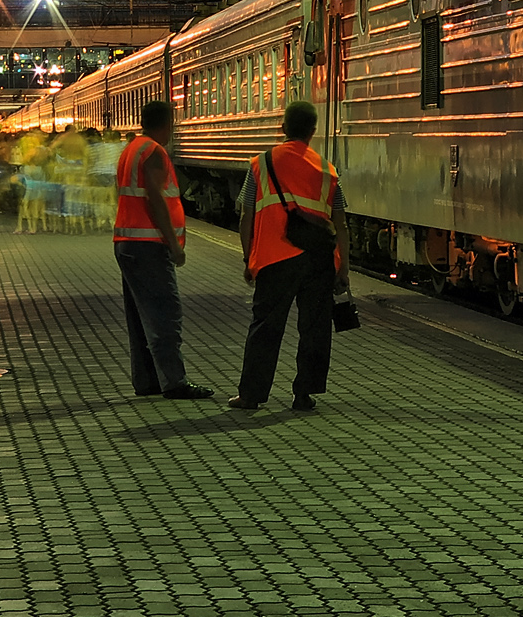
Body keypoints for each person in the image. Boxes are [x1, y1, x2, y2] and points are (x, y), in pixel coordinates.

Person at [230, 100, 349, 413]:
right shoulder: (327, 170)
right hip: (319, 259)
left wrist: (248, 258)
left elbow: (246, 215)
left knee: (266, 327)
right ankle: (303, 394)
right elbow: (340, 223)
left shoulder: (261, 163)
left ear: (282, 128)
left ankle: (251, 395)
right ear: (313, 131)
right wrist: (343, 269)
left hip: (274, 257)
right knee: (314, 328)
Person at [114, 101, 212, 399]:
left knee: (140, 318)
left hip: (128, 242)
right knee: (164, 315)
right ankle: (174, 381)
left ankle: (146, 381)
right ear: (167, 123)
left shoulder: (131, 149)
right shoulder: (154, 151)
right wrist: (174, 244)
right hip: (149, 245)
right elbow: (155, 199)